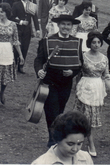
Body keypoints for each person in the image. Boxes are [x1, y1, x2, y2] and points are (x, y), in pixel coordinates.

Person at [34, 14, 83, 147]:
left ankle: (55, 135)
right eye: (63, 24)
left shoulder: (76, 42)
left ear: (71, 27)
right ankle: (53, 139)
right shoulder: (47, 41)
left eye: (68, 24)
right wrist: (39, 70)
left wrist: (73, 72)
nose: (65, 27)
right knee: (52, 111)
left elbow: (80, 64)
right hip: (50, 83)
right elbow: (39, 59)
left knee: (60, 111)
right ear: (58, 25)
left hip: (65, 84)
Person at [74, 31, 110, 156]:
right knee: (82, 116)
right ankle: (82, 141)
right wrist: (77, 87)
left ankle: (90, 142)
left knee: (91, 119)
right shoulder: (83, 56)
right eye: (94, 42)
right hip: (85, 86)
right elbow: (77, 73)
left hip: (97, 89)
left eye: (98, 42)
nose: (96, 45)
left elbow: (106, 76)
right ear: (89, 43)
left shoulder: (104, 58)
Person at [11, 0, 40, 74]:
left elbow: (35, 18)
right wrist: (20, 22)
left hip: (27, 30)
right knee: (17, 47)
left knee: (25, 47)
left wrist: (38, 29)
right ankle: (14, 65)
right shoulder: (16, 4)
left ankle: (21, 66)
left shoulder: (32, 5)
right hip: (18, 29)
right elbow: (11, 17)